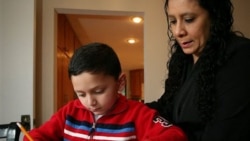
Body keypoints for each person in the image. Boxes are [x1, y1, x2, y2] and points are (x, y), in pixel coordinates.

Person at [23, 42, 187, 141]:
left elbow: (175, 135)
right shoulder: (69, 112)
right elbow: (36, 135)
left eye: (99, 91)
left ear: (120, 82)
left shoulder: (137, 114)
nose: (89, 102)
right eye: (80, 94)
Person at [146, 0, 250, 141]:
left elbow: (223, 133)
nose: (178, 31)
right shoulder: (182, 60)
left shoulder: (241, 56)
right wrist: (122, 107)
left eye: (189, 20)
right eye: (173, 21)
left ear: (214, 16)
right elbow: (165, 108)